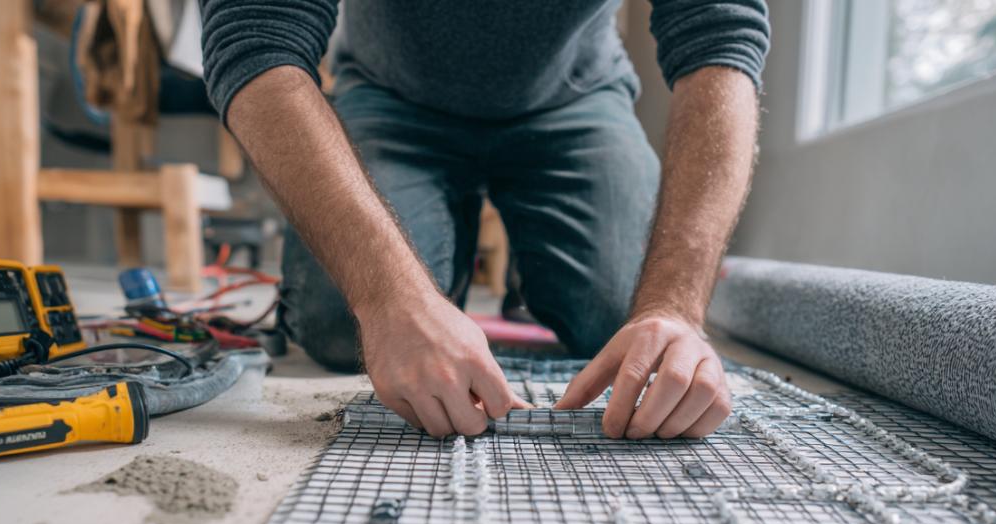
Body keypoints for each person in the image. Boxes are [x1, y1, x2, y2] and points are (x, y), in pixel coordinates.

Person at [201, 1, 769, 440]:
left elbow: (719, 37)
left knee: (628, 326)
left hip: (575, 96)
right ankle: (433, 265)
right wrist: (391, 298)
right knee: (337, 328)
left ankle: (528, 269)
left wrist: (675, 308)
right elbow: (257, 35)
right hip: (391, 96)